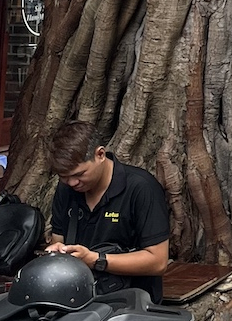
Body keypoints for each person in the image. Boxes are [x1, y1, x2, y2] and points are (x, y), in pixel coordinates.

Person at [45, 120, 171, 301]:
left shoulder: (141, 188)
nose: (72, 183)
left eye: (79, 174)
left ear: (100, 154)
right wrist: (59, 252)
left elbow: (158, 262)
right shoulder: (66, 190)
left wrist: (96, 260)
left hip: (132, 302)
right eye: (64, 177)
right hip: (78, 299)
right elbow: (60, 240)